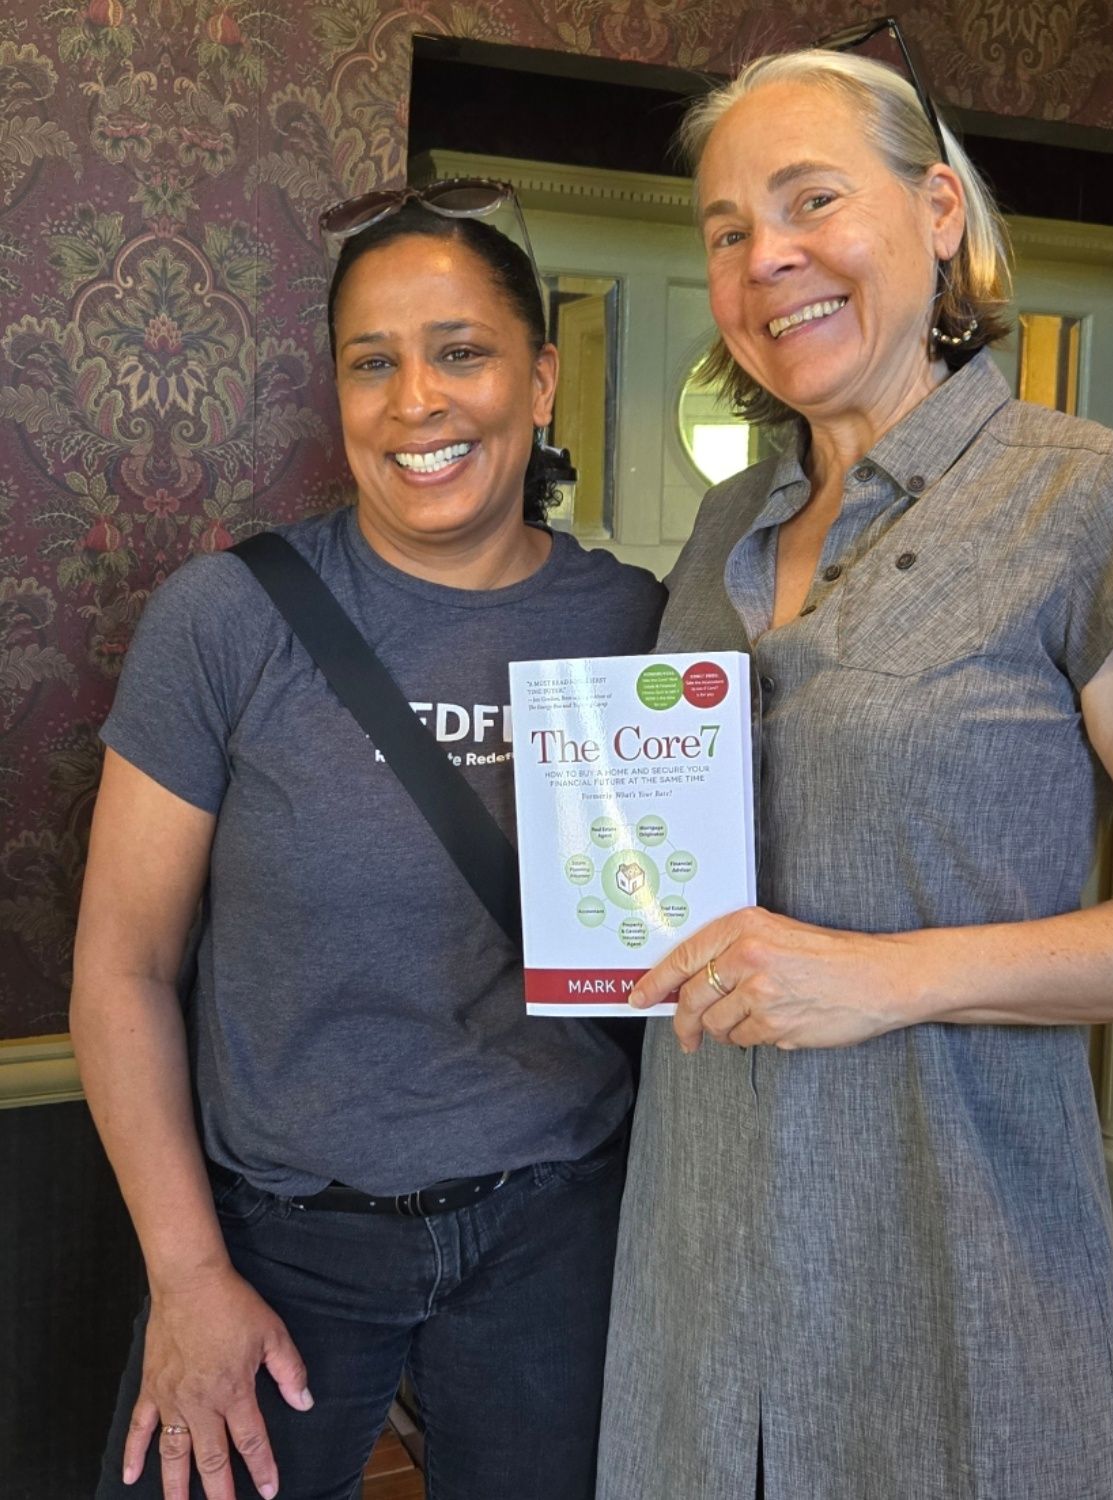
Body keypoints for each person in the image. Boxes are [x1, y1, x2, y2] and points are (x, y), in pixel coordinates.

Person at [597, 41, 1113, 1500]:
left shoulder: (1101, 498)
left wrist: (886, 976)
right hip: (695, 1258)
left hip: (948, 1257)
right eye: (727, 232)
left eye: (812, 200)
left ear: (938, 212)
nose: (766, 258)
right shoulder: (724, 525)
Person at [73, 186, 665, 1500]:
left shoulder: (638, 628)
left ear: (540, 380)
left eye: (462, 352)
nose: (417, 402)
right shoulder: (227, 618)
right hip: (279, 1237)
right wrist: (187, 1275)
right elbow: (122, 967)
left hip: (559, 1229)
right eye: (373, 363)